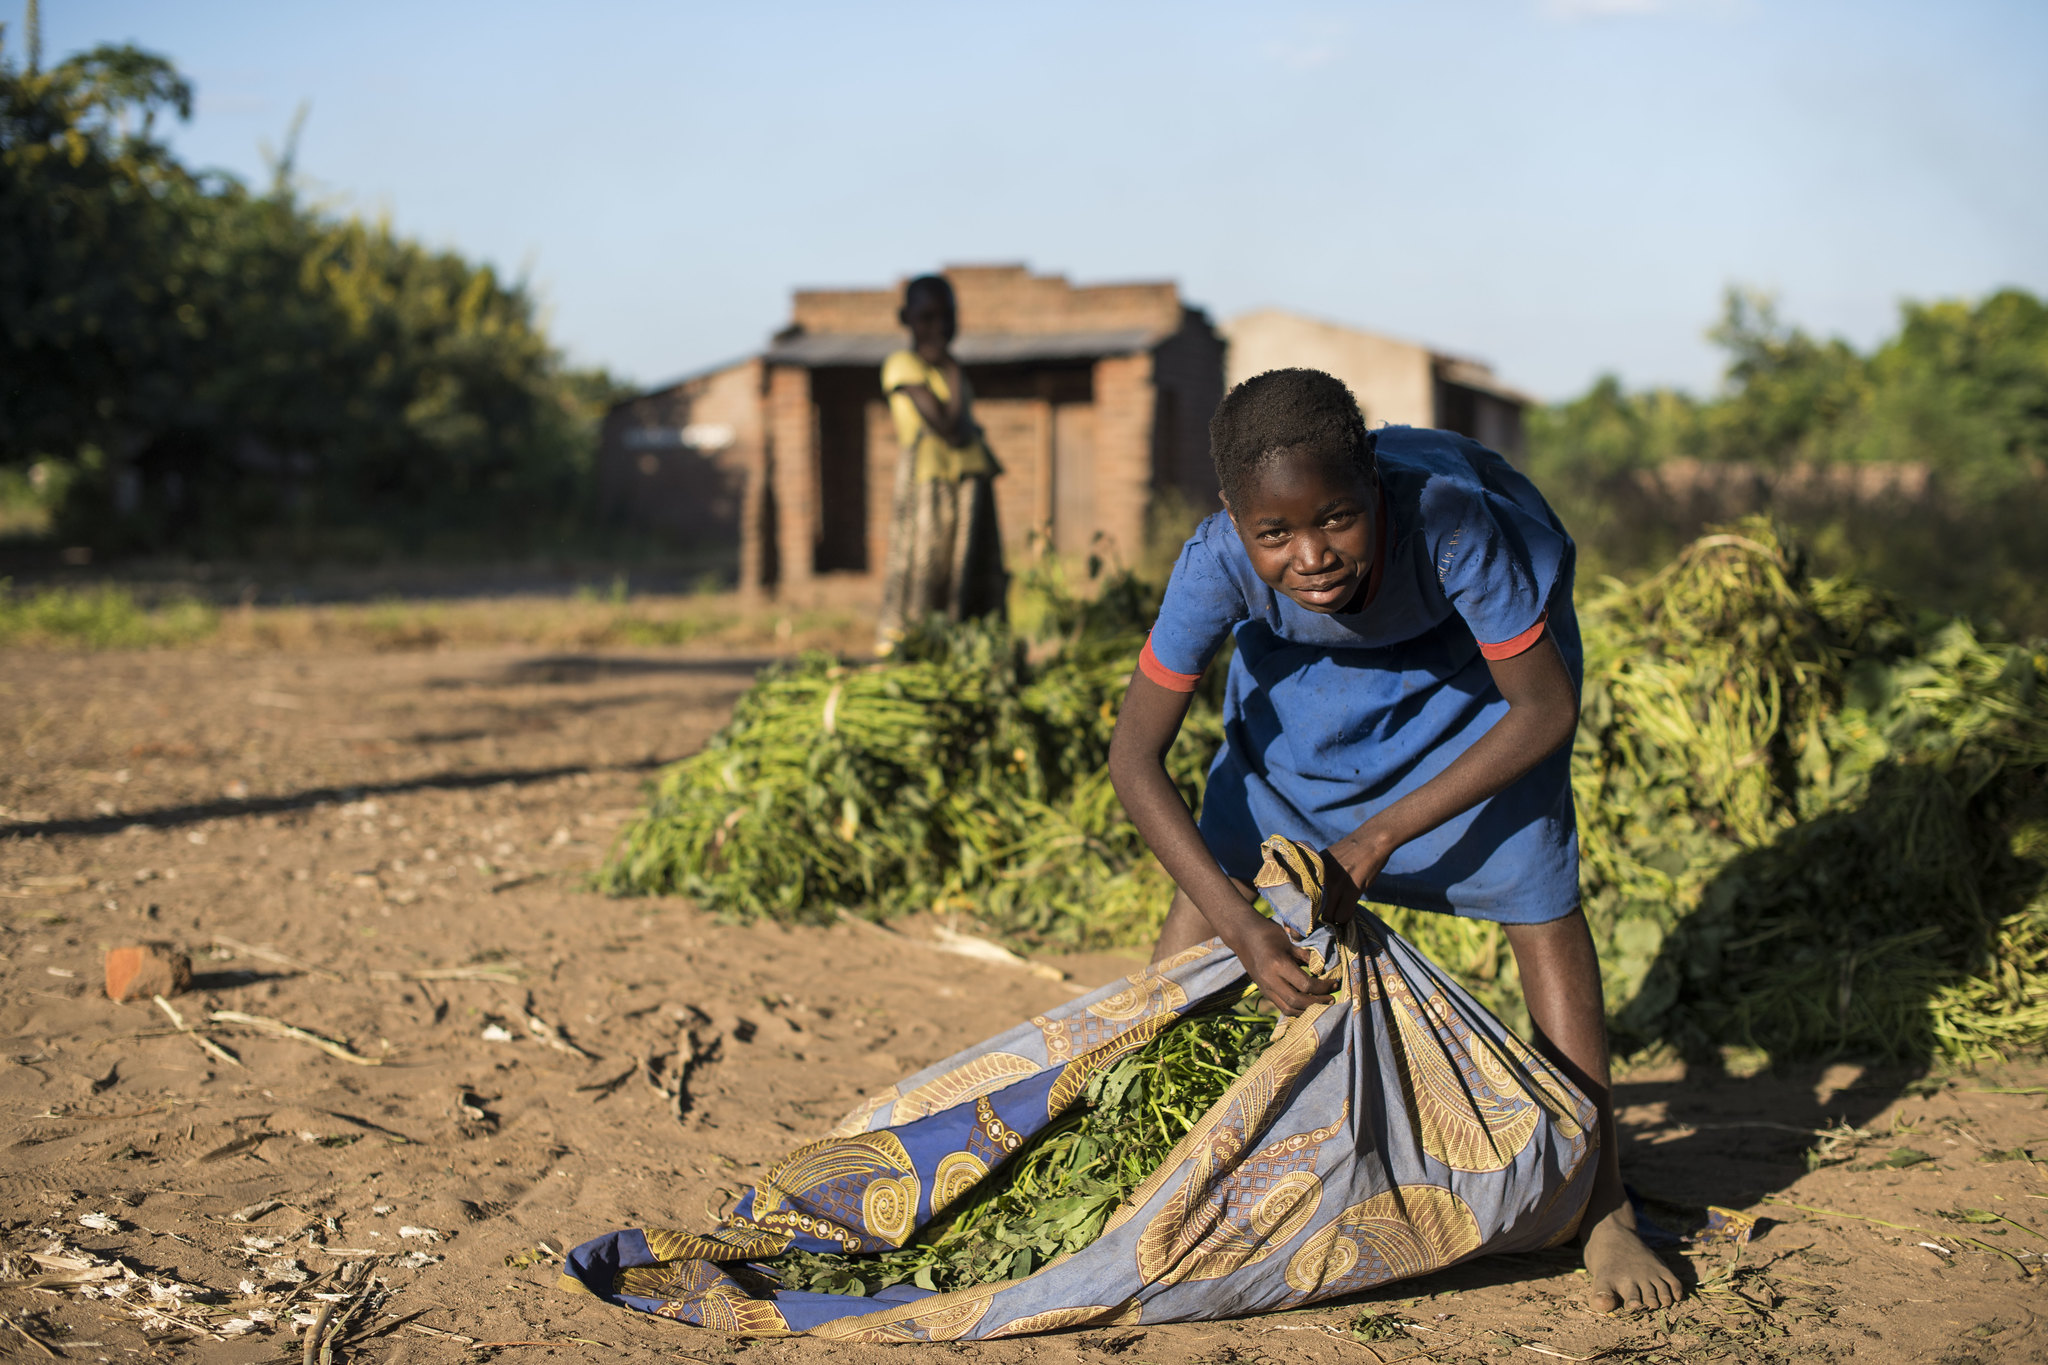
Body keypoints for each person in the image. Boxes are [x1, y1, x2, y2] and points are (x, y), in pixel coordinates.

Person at [1106, 368, 1683, 1316]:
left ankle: (1601, 1197)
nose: (1311, 554)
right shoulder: (1214, 560)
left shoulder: (1453, 522)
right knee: (1214, 883)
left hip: (1482, 695)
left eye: (1335, 517)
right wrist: (1246, 931)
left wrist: (1378, 836)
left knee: (1537, 895)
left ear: (1373, 480)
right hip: (1306, 704)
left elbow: (1544, 709)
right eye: (1275, 534)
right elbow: (1135, 760)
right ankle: (1149, 1162)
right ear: (1233, 518)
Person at [875, 275, 1006, 651]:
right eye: (927, 317)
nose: (939, 327)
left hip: (968, 488)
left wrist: (952, 369)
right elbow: (949, 429)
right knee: (928, 573)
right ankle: (914, 650)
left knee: (969, 576)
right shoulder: (902, 365)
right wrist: (950, 367)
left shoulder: (953, 372)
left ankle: (966, 649)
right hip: (930, 490)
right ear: (905, 318)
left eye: (947, 316)